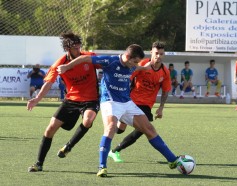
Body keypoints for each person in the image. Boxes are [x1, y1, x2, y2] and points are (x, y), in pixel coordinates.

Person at [57, 44, 179, 177]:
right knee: (110, 128)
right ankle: (102, 167)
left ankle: (172, 160)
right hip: (110, 101)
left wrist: (143, 67)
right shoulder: (109, 60)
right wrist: (66, 67)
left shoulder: (133, 65)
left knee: (149, 129)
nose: (135, 65)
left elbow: (137, 67)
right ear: (127, 56)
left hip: (127, 102)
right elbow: (84, 59)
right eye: (134, 61)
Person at [27, 32, 100, 172]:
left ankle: (68, 147)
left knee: (88, 120)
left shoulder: (89, 57)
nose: (79, 51)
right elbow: (48, 83)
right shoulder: (59, 64)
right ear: (68, 49)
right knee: (50, 128)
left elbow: (106, 65)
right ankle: (38, 163)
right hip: (71, 100)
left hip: (91, 99)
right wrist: (37, 99)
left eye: (79, 47)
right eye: (75, 48)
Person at [108, 41, 171, 163]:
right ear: (151, 52)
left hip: (146, 105)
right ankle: (110, 134)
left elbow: (165, 91)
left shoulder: (165, 72)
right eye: (156, 53)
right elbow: (127, 77)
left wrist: (161, 107)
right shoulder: (141, 64)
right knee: (120, 130)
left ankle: (115, 151)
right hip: (131, 101)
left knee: (142, 130)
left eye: (161, 54)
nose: (158, 56)